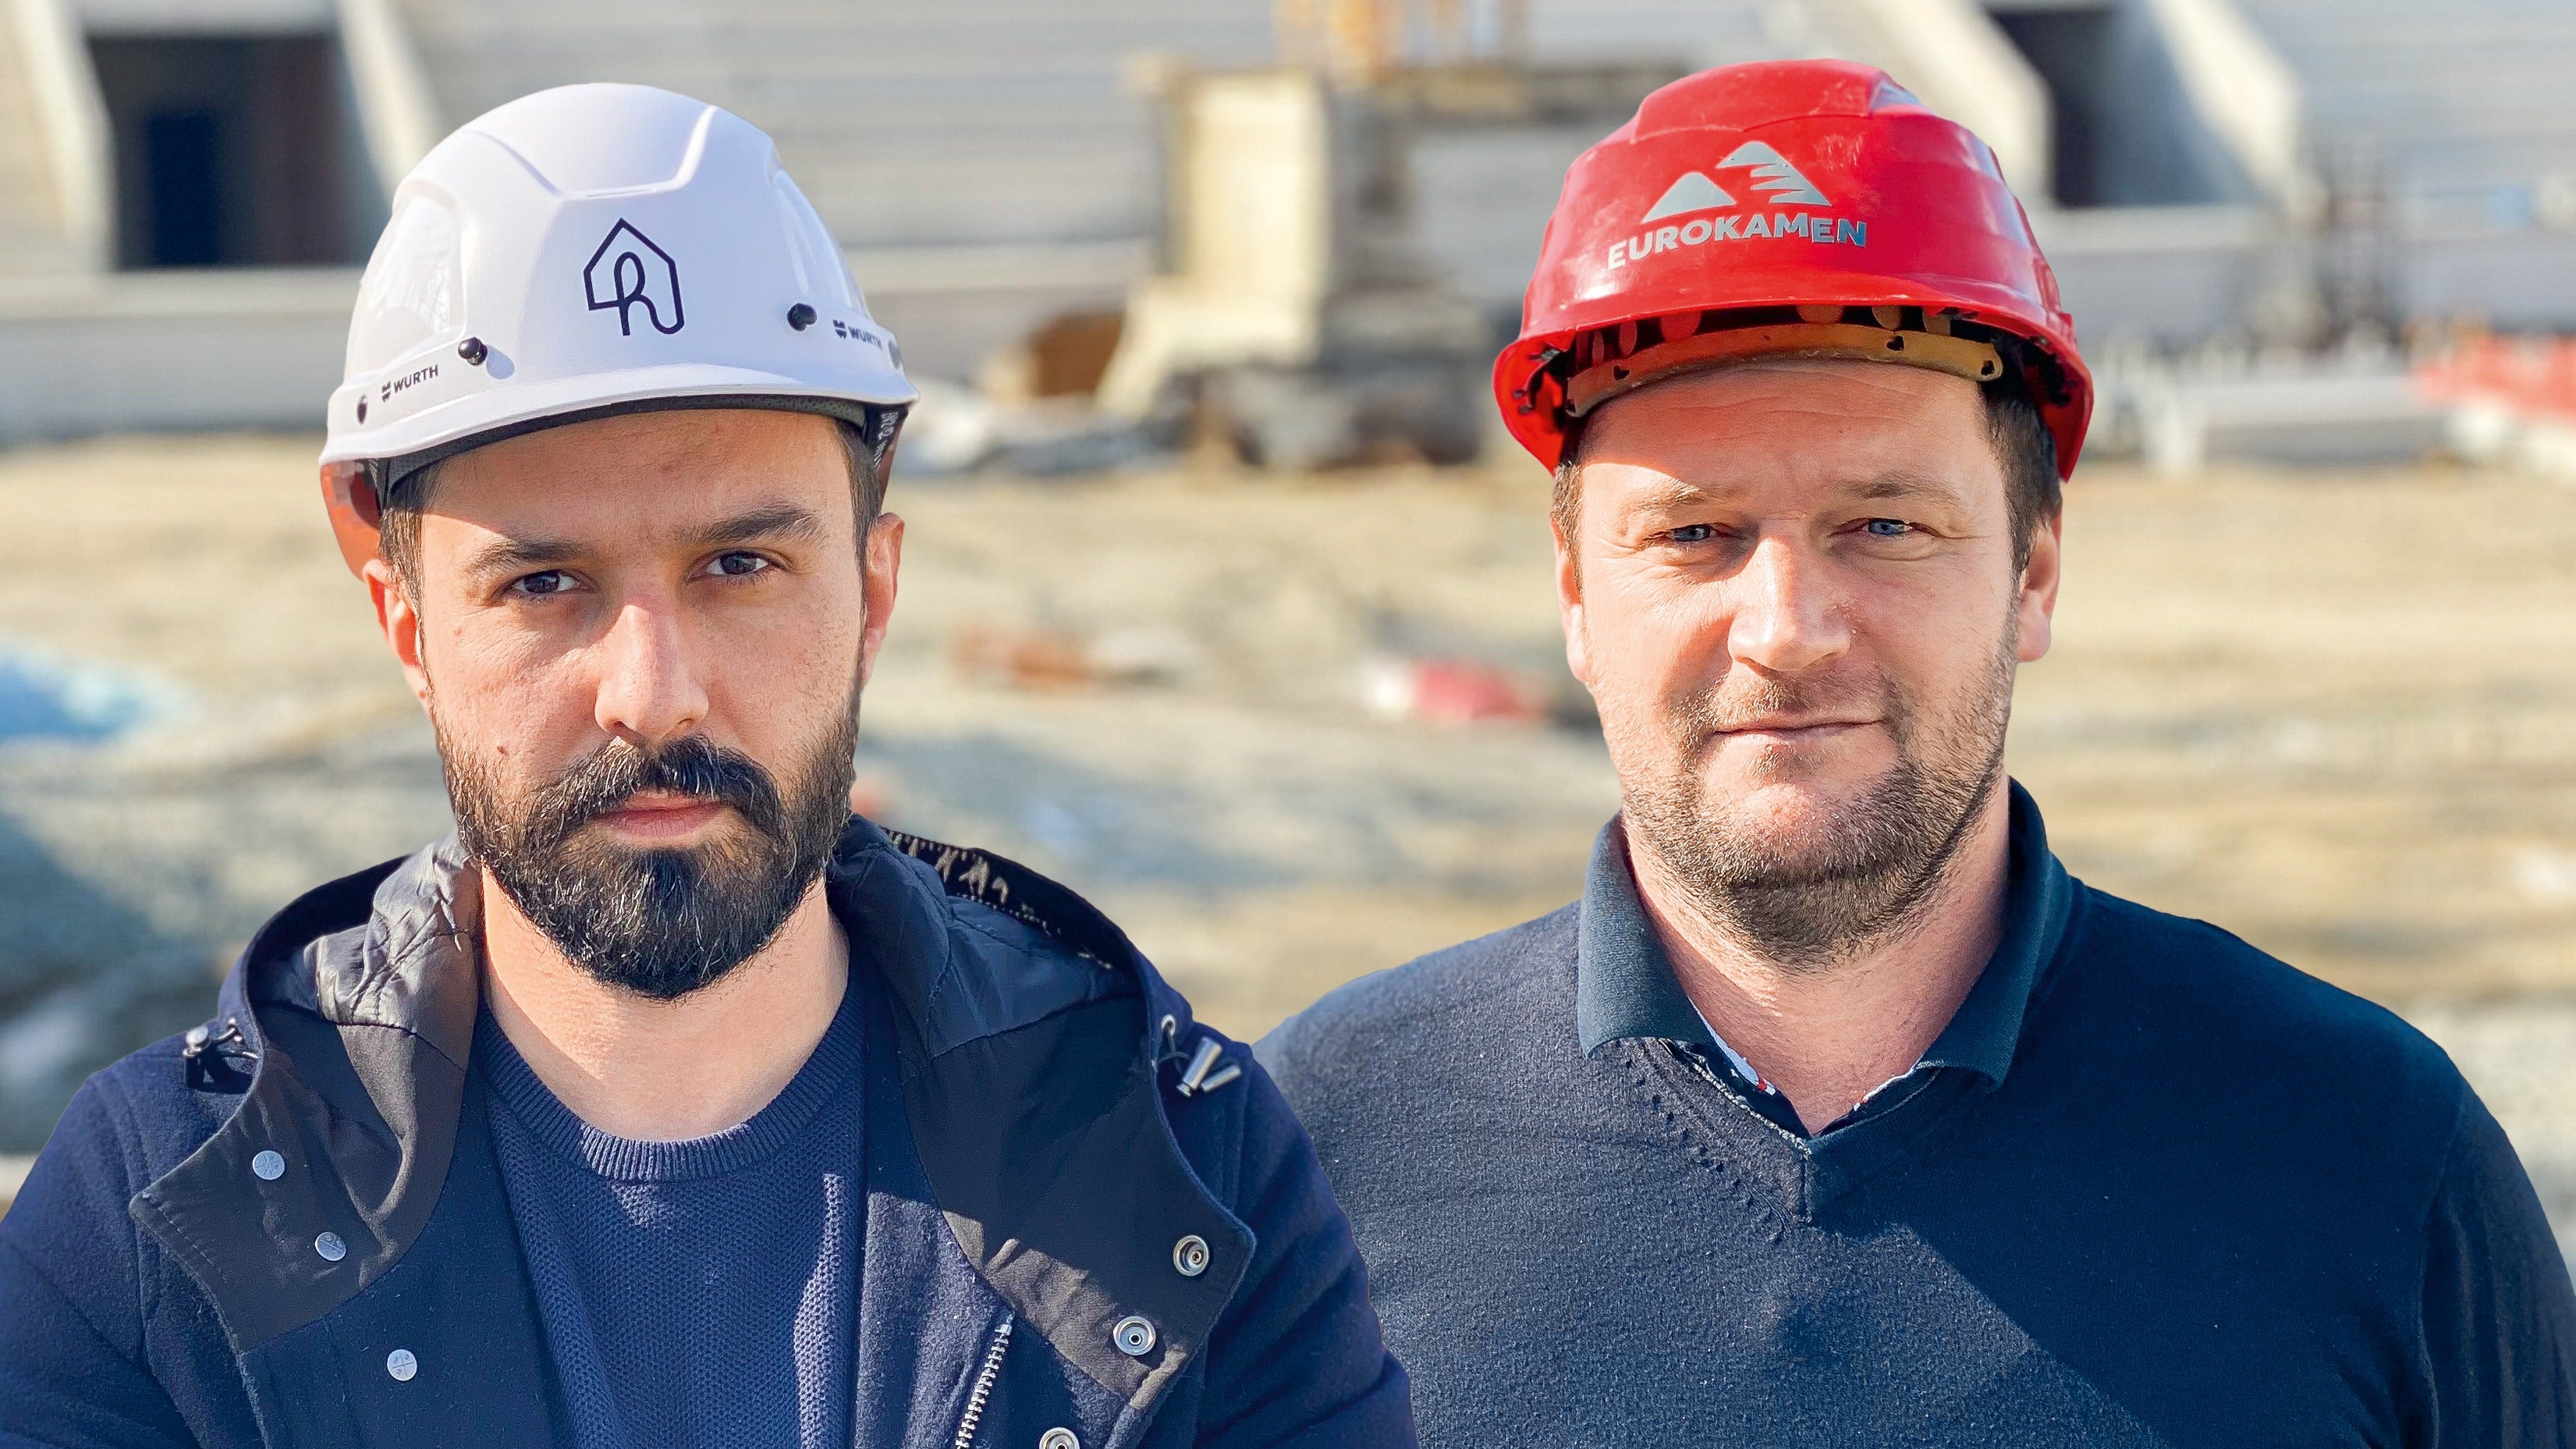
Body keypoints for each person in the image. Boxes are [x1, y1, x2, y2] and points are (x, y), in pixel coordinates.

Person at [0, 84, 1409, 1449]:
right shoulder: (153, 1222)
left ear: (873, 587)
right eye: (544, 582)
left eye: (741, 565)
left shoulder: (1181, 1172)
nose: (653, 694)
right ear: (403, 620)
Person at [1258, 58, 2576, 1447]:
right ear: (1578, 596)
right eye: (1693, 533)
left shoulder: (2363, 1157)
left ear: (2033, 574)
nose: (1785, 629)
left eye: (1883, 525)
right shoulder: (1311, 1154)